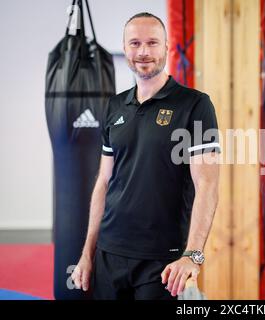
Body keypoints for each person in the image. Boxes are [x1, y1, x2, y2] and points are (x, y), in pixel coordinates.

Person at [71, 12, 220, 300]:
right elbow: (104, 181)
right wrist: (87, 253)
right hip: (108, 253)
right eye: (135, 43)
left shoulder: (195, 105)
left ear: (167, 48)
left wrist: (193, 255)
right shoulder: (114, 106)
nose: (143, 52)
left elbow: (208, 186)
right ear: (125, 49)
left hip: (162, 259)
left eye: (152, 43)